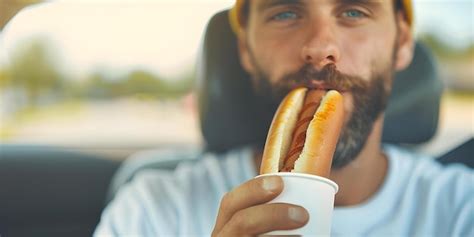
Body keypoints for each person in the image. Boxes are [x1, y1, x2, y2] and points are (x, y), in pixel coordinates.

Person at [94, 0, 473, 236]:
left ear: (402, 43)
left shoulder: (462, 207)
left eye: (354, 11)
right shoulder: (153, 209)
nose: (320, 48)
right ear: (245, 49)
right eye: (286, 12)